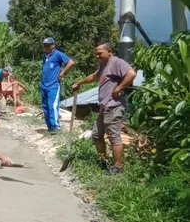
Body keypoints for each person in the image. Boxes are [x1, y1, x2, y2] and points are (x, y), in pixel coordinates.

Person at [72, 41, 136, 176]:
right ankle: (103, 161)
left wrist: (119, 88)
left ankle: (118, 167)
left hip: (114, 106)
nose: (97, 56)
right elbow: (94, 77)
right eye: (96, 54)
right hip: (104, 106)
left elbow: (131, 73)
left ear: (109, 52)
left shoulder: (117, 63)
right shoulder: (104, 65)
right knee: (96, 134)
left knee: (114, 137)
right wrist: (79, 83)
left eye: (99, 53)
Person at [41, 37, 75, 133]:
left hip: (53, 85)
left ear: (53, 45)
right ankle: (49, 126)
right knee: (45, 106)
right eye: (44, 45)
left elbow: (70, 62)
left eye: (47, 45)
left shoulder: (58, 54)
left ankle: (56, 126)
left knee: (52, 105)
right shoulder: (45, 56)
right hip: (44, 85)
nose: (46, 47)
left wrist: (62, 73)